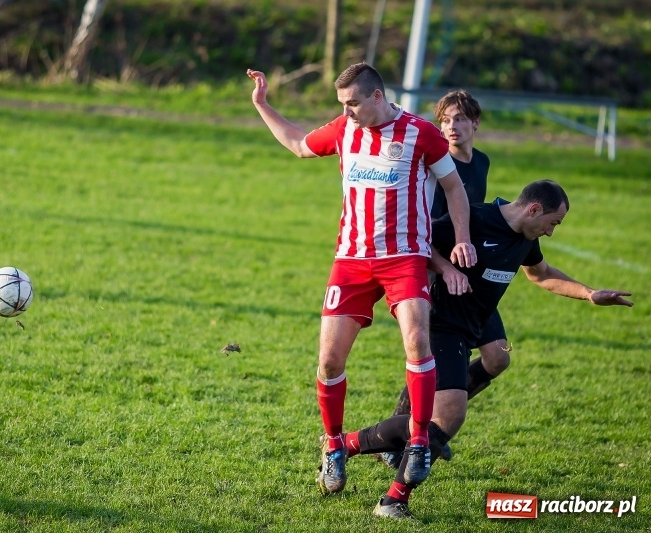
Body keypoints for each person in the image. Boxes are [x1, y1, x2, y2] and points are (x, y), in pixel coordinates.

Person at [246, 63, 477, 494]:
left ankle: (419, 443)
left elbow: (454, 188)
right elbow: (298, 144)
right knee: (330, 361)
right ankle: (333, 446)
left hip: (405, 259)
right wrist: (263, 104)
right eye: (342, 105)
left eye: (353, 103)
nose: (347, 112)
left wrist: (461, 238)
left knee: (417, 342)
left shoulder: (420, 134)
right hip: (351, 261)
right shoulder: (343, 129)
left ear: (376, 97)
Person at [340, 180, 633, 519]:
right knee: (449, 415)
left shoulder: (527, 237)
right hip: (444, 320)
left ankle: (418, 425)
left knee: (497, 357)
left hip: (480, 313)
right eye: (553, 222)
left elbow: (541, 274)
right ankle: (385, 489)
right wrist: (447, 269)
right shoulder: (473, 220)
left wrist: (589, 293)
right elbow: (417, 245)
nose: (551, 232)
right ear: (534, 210)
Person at [391, 89, 510, 418]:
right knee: (426, 356)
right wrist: (441, 270)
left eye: (459, 119)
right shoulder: (436, 166)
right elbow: (424, 230)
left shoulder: (482, 162)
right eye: (444, 120)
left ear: (475, 123)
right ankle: (403, 427)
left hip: (469, 270)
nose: (451, 126)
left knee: (498, 357)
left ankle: (439, 408)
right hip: (437, 269)